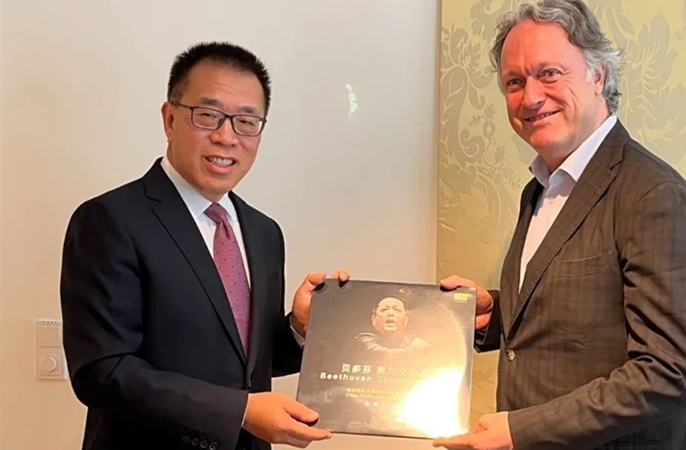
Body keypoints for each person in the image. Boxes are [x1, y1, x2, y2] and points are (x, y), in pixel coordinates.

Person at [433, 1, 686, 449]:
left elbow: (671, 371)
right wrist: (496, 314)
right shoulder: (541, 188)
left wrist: (521, 430)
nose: (530, 98)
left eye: (549, 73)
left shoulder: (654, 196)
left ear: (598, 75)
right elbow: (588, 310)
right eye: (514, 82)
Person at [60, 42, 348, 450]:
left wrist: (298, 330)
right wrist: (240, 412)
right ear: (170, 118)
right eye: (208, 115)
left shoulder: (264, 232)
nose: (226, 137)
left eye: (246, 121)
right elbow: (102, 371)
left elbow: (244, 362)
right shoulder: (110, 220)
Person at [352, 296, 430, 354]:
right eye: (384, 310)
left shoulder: (409, 342)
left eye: (397, 310)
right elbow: (382, 355)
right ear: (374, 319)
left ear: (405, 321)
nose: (390, 313)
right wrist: (413, 350)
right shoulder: (363, 340)